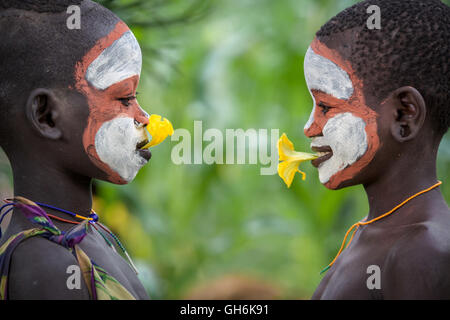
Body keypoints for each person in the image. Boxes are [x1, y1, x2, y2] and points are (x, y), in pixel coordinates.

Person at [0, 0, 153, 299]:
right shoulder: (47, 267)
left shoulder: (91, 235)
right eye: (125, 98)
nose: (143, 118)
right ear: (47, 116)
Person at [303, 0, 450, 299]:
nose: (309, 127)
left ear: (403, 115)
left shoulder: (422, 252)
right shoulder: (371, 233)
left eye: (326, 107)